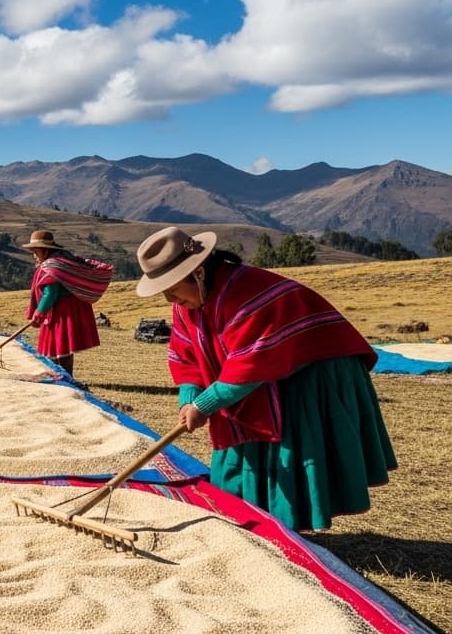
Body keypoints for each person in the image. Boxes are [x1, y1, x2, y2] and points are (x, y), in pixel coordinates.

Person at [134, 225, 396, 532]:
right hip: (262, 378)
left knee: (291, 450)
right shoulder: (188, 304)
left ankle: (289, 530)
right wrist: (190, 396)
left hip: (309, 372)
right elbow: (185, 353)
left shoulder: (247, 294)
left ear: (199, 273)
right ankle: (259, 525)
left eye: (172, 288)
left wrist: (204, 405)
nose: (168, 298)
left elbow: (250, 364)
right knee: (241, 454)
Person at [22, 230, 113, 376]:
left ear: (45, 250)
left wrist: (39, 314)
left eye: (35, 251)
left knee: (61, 343)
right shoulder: (63, 260)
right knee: (56, 343)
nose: (33, 255)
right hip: (69, 307)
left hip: (63, 311)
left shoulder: (53, 267)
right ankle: (60, 373)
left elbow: (50, 293)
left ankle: (64, 375)